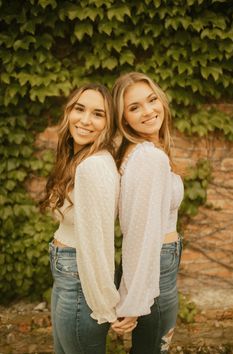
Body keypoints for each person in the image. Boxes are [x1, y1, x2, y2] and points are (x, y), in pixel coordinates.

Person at [41, 83, 122, 354]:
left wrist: (104, 304)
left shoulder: (92, 166)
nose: (86, 120)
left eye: (98, 114)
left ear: (109, 124)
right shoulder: (78, 158)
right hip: (67, 273)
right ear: (69, 112)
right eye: (80, 109)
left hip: (79, 279)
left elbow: (98, 244)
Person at [111, 72, 184, 354]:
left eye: (152, 100)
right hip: (157, 265)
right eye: (134, 107)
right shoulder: (149, 158)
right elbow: (140, 234)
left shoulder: (145, 151)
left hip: (160, 263)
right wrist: (134, 300)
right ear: (123, 118)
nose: (148, 111)